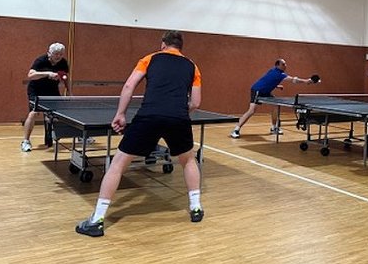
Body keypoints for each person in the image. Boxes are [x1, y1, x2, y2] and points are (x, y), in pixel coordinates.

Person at [75, 30, 203, 237]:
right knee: (188, 160)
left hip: (149, 116)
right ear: (180, 47)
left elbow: (129, 85)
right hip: (178, 118)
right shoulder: (192, 66)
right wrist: (178, 113)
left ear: (163, 44)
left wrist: (120, 114)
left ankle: (97, 220)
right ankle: (196, 208)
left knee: (118, 164)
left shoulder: (150, 59)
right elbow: (196, 102)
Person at [230, 59, 315, 138]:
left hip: (266, 91)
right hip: (257, 90)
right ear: (277, 65)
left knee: (275, 106)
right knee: (251, 111)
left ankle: (274, 128)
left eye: (285, 64)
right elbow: (294, 80)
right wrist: (306, 81)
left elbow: (267, 80)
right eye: (283, 64)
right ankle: (236, 130)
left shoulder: (273, 70)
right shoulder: (279, 74)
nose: (285, 65)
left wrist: (276, 86)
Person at [21, 42, 70, 152]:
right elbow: (30, 75)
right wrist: (48, 73)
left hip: (52, 90)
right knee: (33, 113)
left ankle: (78, 135)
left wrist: (69, 91)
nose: (58, 56)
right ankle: (26, 141)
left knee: (57, 114)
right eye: (56, 54)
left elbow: (66, 77)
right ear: (49, 53)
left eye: (61, 54)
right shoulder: (41, 61)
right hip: (36, 90)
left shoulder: (63, 63)